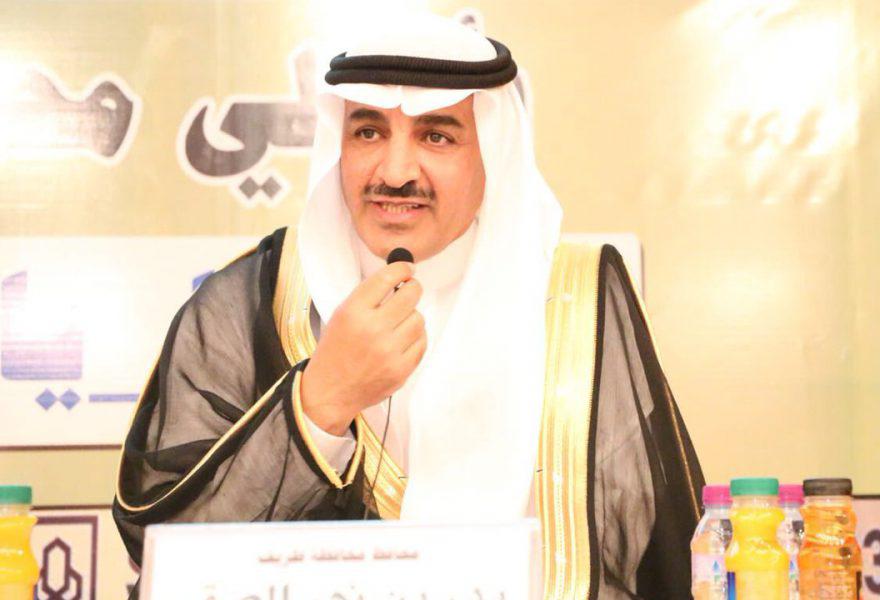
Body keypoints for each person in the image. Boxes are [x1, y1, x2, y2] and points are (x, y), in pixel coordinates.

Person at [114, 12, 704, 599]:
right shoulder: (250, 301)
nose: (395, 173)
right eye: (368, 132)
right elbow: (168, 555)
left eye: (436, 136)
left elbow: (652, 556)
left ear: (491, 153)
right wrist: (321, 402)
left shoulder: (575, 298)